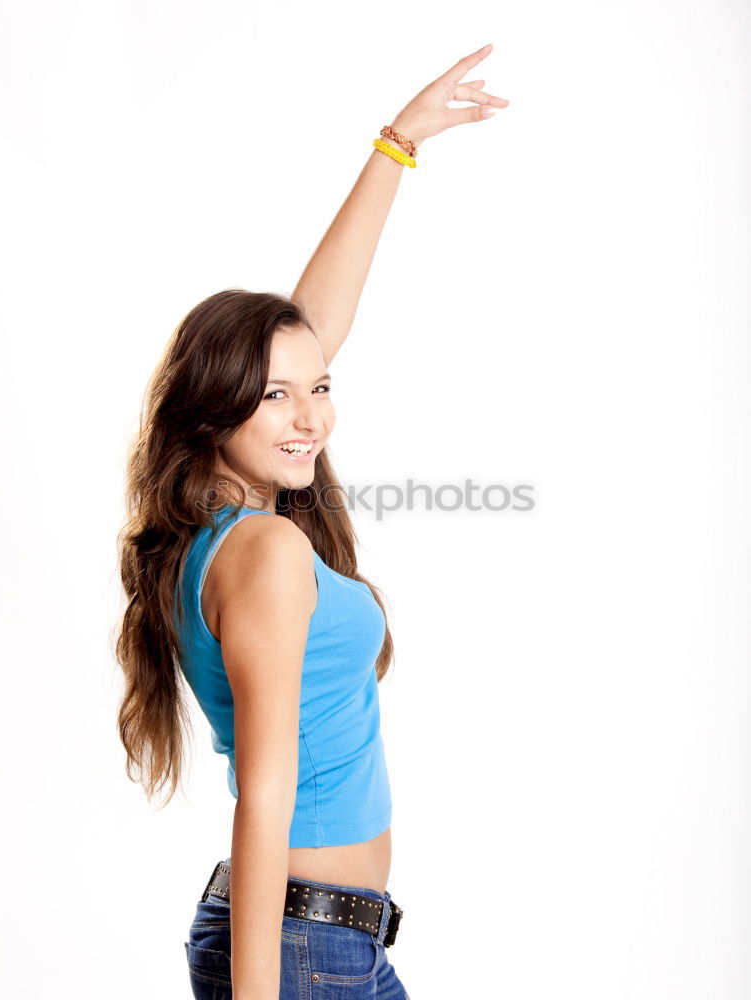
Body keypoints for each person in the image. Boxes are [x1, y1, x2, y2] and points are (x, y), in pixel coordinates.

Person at [114, 42, 509, 1000]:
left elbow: (303, 330)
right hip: (296, 955)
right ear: (216, 411)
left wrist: (397, 145)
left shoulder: (224, 531)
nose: (311, 418)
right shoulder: (267, 551)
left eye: (320, 389)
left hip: (329, 948)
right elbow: (267, 800)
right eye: (277, 399)